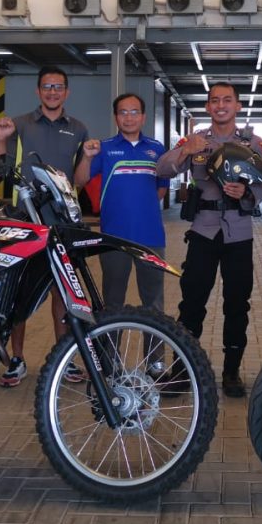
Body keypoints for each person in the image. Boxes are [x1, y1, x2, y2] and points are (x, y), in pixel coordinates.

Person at [157, 82, 262, 398]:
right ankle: (182, 371)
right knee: (192, 302)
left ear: (238, 106)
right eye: (215, 100)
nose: (221, 105)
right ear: (208, 107)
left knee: (237, 303)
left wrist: (247, 192)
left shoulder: (253, 143)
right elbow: (162, 168)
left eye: (227, 100)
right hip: (203, 231)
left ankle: (232, 371)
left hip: (239, 233)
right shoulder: (196, 140)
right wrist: (185, 150)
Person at [0, 66, 89, 387]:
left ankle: (64, 358)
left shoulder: (78, 129)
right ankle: (17, 359)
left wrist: (89, 157)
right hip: (25, 221)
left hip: (62, 224)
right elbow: (1, 167)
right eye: (47, 86)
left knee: (63, 292)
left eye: (58, 87)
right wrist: (0, 139)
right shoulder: (19, 124)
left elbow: (80, 179)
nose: (52, 92)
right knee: (18, 292)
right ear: (38, 91)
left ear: (67, 92)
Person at [75, 93, 169, 371]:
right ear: (116, 117)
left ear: (143, 116)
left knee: (153, 303)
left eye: (134, 112)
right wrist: (86, 156)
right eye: (123, 112)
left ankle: (155, 361)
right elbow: (79, 180)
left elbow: (160, 190)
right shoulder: (103, 148)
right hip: (113, 239)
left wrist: (139, 210)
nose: (129, 117)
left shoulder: (157, 149)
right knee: (113, 302)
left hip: (151, 238)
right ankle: (111, 359)